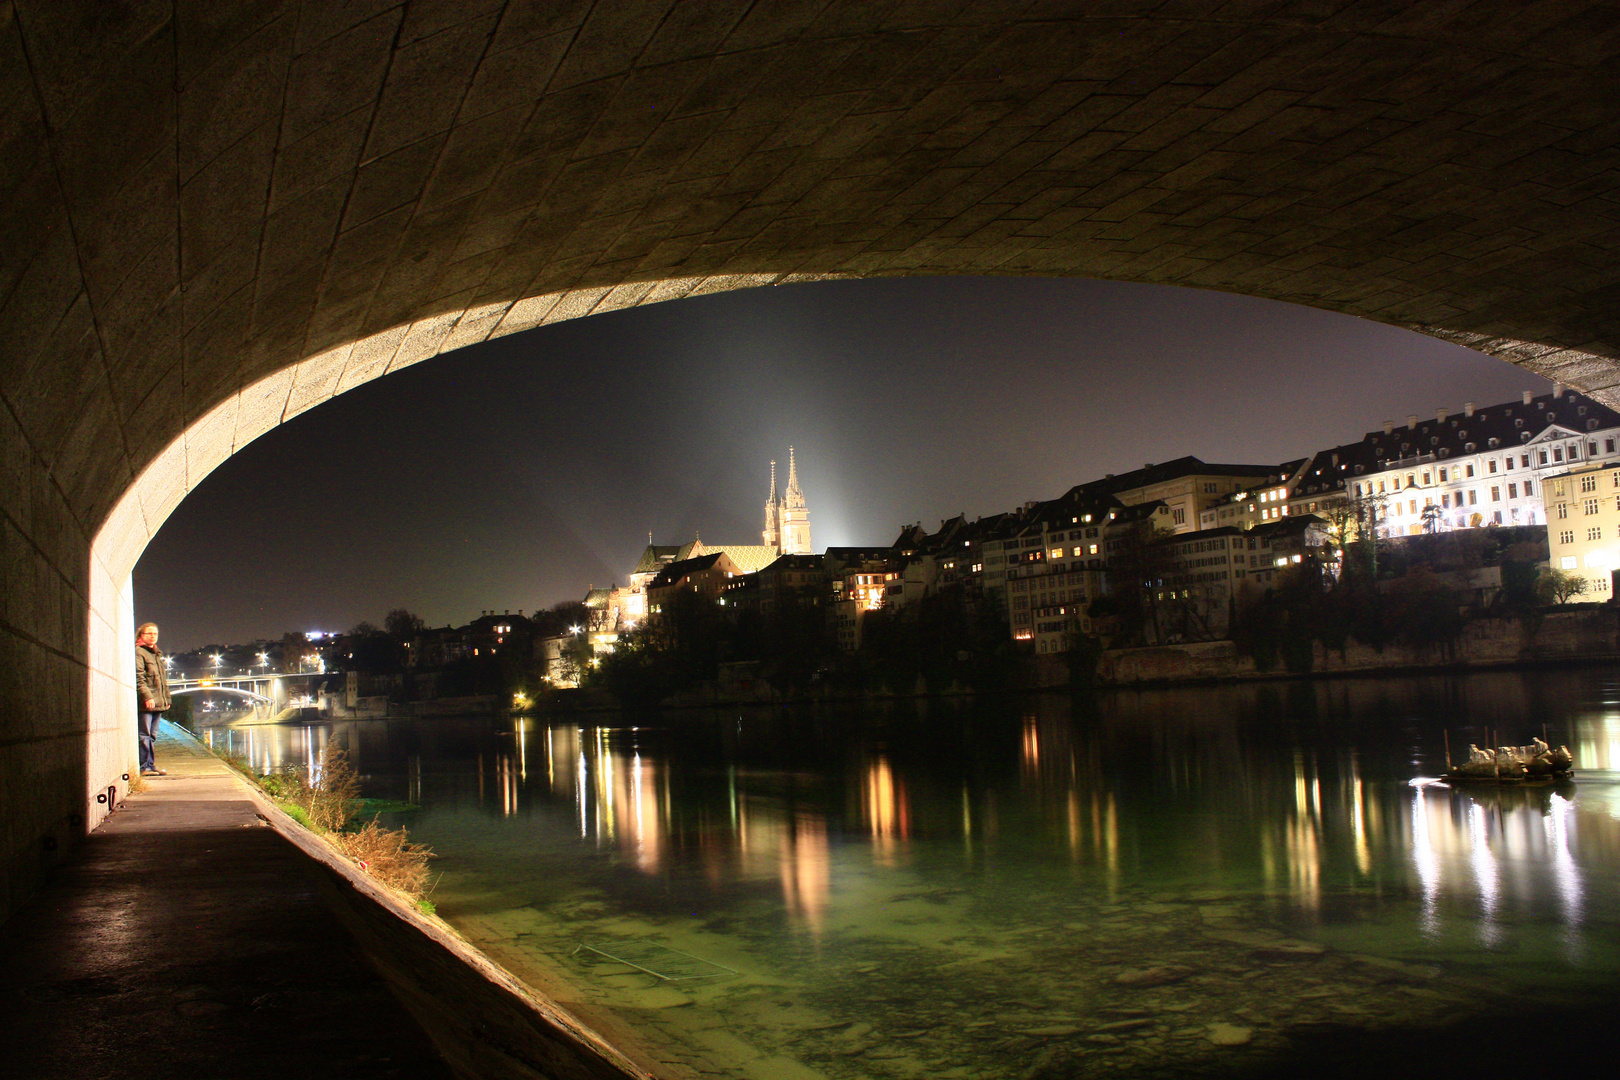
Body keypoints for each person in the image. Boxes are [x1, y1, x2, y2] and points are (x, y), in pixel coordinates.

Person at [135, 622, 170, 776]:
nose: (152, 636)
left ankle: (150, 765)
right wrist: (147, 697)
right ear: (141, 635)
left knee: (152, 736)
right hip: (147, 703)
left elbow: (162, 682)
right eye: (149, 633)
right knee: (144, 735)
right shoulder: (139, 652)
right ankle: (144, 767)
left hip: (158, 702)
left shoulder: (156, 654)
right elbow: (139, 678)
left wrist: (166, 700)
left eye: (155, 634)